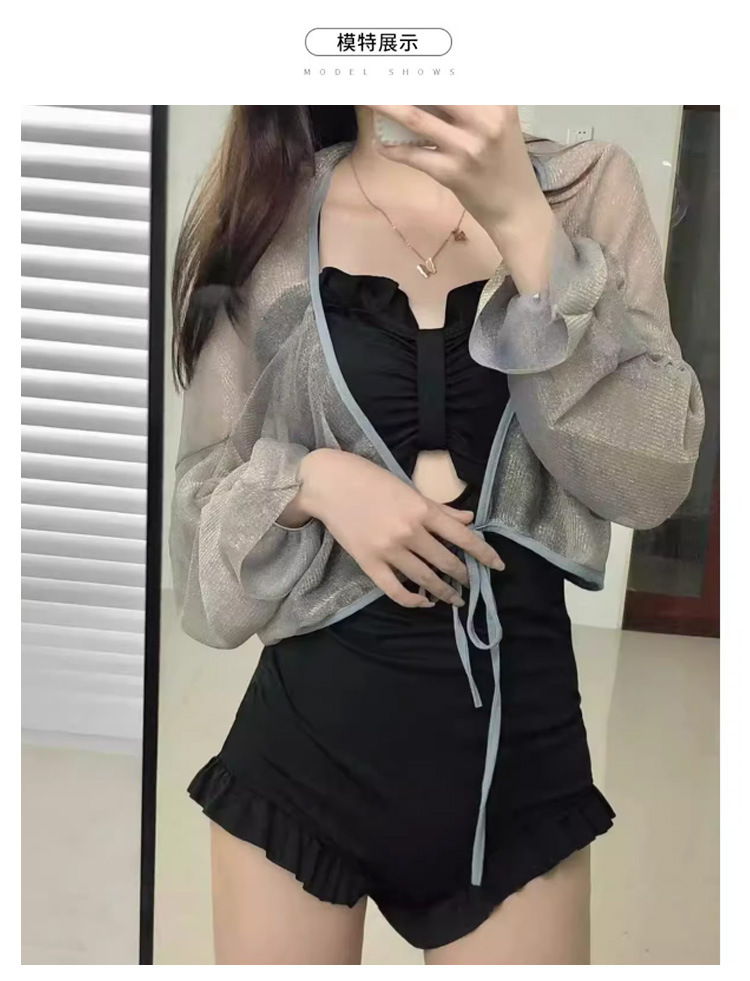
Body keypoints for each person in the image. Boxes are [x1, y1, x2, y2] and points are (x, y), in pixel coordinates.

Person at [169, 106, 704, 964]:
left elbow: (651, 478)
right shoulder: (271, 214)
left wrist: (525, 225)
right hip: (304, 754)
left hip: (517, 772)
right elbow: (200, 536)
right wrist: (308, 482)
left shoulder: (587, 189)